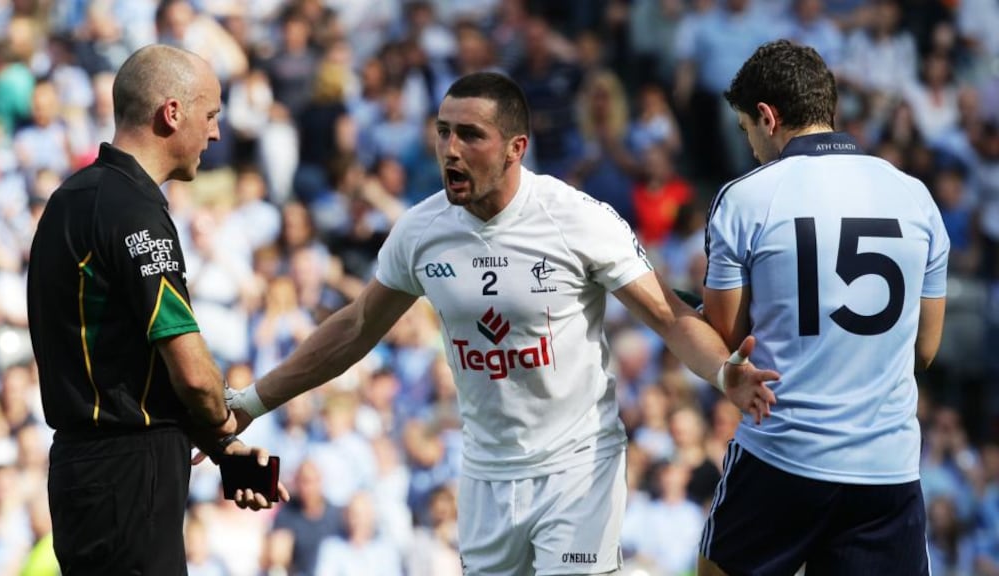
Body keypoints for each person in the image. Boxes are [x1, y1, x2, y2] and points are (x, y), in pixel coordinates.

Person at [227, 71, 779, 576]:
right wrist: (252, 402)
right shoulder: (421, 231)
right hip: (486, 474)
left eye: (470, 135)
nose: (451, 150)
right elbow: (354, 328)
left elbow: (670, 316)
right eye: (443, 133)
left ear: (516, 148)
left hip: (577, 467)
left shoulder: (577, 219)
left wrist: (721, 373)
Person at [27, 44, 287, 576]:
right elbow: (191, 374)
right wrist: (223, 419)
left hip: (83, 471)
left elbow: (126, 363)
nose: (216, 133)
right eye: (211, 114)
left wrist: (222, 449)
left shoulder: (70, 199)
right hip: (130, 476)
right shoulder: (135, 212)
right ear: (172, 113)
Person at [699, 40, 949, 576]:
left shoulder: (746, 197)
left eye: (746, 130)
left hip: (782, 454)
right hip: (886, 467)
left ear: (767, 117)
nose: (751, 146)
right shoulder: (916, 196)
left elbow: (725, 340)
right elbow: (925, 350)